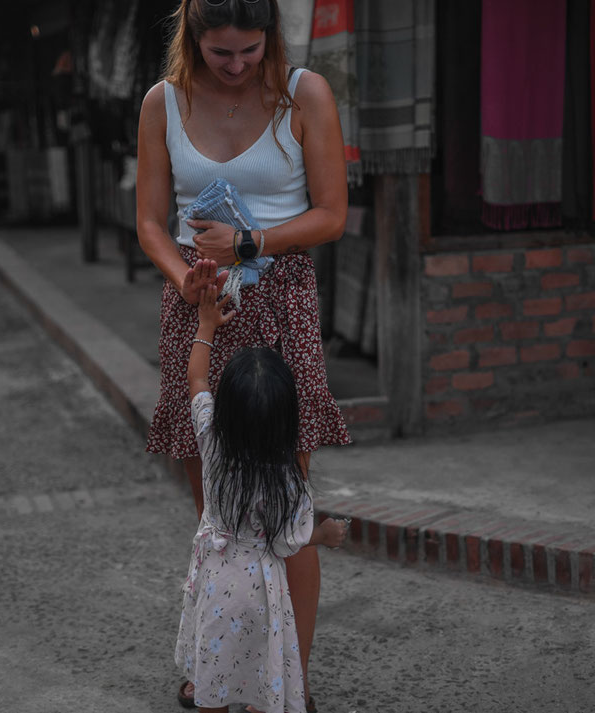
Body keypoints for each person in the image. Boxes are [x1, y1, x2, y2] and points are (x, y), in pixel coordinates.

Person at [136, 1, 351, 709]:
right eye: (220, 53)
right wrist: (187, 281)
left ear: (271, 37)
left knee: (286, 503)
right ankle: (220, 668)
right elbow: (150, 221)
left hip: (280, 308)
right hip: (199, 311)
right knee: (219, 518)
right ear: (193, 39)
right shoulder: (162, 102)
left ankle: (295, 680)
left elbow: (331, 213)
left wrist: (252, 244)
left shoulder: (304, 92)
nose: (235, 66)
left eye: (249, 51)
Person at [177, 267, 348, 713]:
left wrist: (206, 326)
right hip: (260, 592)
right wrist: (325, 535)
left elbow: (195, 379)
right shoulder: (287, 479)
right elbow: (292, 539)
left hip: (217, 585)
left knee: (215, 669)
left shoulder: (211, 440)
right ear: (288, 422)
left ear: (226, 408)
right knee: (258, 665)